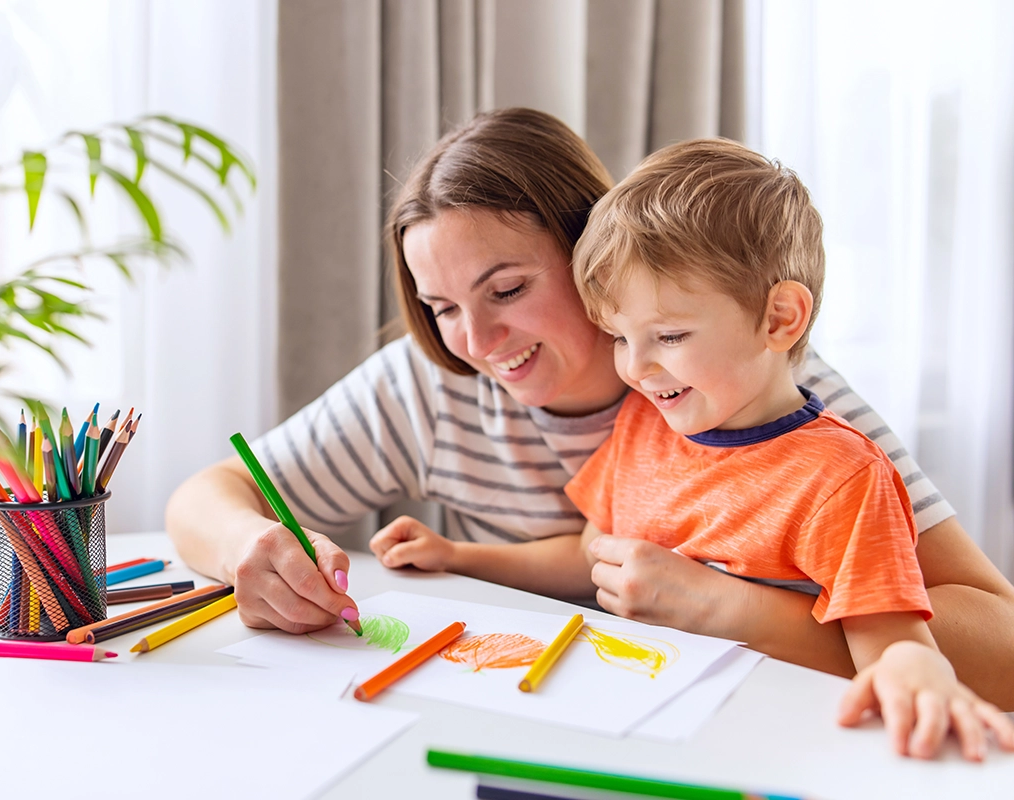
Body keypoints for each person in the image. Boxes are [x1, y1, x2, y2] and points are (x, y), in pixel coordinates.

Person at [165, 108, 1014, 711]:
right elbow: (204, 497)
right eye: (442, 307)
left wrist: (735, 609)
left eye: (507, 289)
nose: (479, 340)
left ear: (595, 254)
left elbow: (1000, 648)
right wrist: (254, 547)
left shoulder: (756, 389)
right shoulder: (426, 386)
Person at [375, 137, 1014, 759]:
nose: (637, 370)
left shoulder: (842, 476)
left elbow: (891, 640)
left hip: (770, 745)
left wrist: (914, 674)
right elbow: (587, 553)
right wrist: (459, 555)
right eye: (620, 338)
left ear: (780, 319)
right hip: (655, 725)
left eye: (670, 335)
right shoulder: (646, 423)